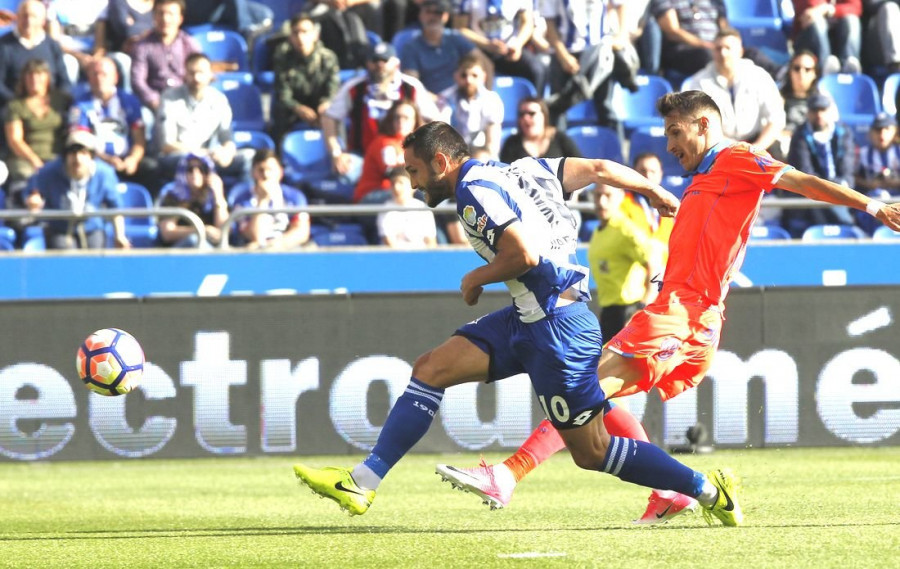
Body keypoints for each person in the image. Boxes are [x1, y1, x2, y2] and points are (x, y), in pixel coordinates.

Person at [433, 90, 900, 523]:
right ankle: (675, 491)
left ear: (703, 124)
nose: (671, 145)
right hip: (676, 306)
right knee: (594, 390)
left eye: (676, 133)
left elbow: (801, 180)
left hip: (688, 312)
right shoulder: (702, 179)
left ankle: (509, 475)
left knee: (584, 389)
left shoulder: (739, 157)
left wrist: (872, 207)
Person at [293, 120, 747, 531]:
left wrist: (476, 277)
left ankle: (706, 491)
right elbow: (602, 168)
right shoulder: (525, 169)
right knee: (431, 368)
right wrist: (652, 190)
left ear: (441, 162)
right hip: (527, 318)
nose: (411, 184)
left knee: (592, 451)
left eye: (413, 172)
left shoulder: (473, 193)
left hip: (557, 330)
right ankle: (362, 482)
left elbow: (523, 254)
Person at [321, 41, 440, 183]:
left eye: (385, 60)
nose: (380, 65)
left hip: (405, 156)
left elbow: (436, 121)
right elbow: (329, 118)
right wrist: (336, 153)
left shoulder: (411, 87)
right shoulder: (354, 87)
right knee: (346, 172)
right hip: (363, 157)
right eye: (375, 60)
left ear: (396, 63)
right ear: (367, 63)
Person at [682, 28, 785, 154]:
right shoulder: (698, 83)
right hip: (718, 148)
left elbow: (776, 119)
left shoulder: (759, 76)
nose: (723, 53)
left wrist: (757, 148)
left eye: (728, 48)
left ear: (740, 51)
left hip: (759, 143)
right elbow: (699, 126)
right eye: (718, 48)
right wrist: (733, 149)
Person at [24, 129, 131, 250]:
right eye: (73, 153)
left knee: (95, 257)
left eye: (83, 153)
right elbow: (33, 190)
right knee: (64, 256)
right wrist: (33, 198)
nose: (78, 159)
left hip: (93, 227)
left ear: (91, 156)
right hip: (60, 228)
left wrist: (120, 235)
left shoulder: (104, 174)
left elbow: (116, 208)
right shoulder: (49, 172)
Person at [156, 52, 251, 183]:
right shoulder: (169, 97)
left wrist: (227, 152)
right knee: (187, 160)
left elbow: (226, 135)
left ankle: (242, 199)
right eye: (192, 73)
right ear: (185, 74)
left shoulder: (219, 99)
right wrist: (201, 153)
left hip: (209, 157)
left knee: (249, 157)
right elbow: (167, 145)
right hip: (180, 157)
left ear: (210, 74)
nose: (196, 78)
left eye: (201, 72)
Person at [587, 184, 663, 343]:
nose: (602, 202)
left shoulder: (626, 229)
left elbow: (655, 262)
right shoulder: (599, 230)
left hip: (628, 311)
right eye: (598, 195)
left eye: (608, 195)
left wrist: (645, 305)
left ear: (621, 197)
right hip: (609, 312)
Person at [69, 57, 157, 194]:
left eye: (104, 74)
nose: (99, 78)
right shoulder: (80, 105)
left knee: (151, 168)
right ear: (89, 78)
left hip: (127, 159)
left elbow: (139, 138)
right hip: (96, 160)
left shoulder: (129, 101)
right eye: (95, 74)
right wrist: (107, 159)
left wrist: (133, 159)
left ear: (115, 77)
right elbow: (81, 143)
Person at [782, 91, 857, 237]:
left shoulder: (843, 132)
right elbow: (806, 173)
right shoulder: (800, 136)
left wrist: (841, 186)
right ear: (808, 112)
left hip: (841, 189)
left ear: (830, 111)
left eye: (823, 109)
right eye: (815, 110)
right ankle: (848, 226)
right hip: (812, 194)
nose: (819, 114)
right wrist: (830, 189)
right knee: (816, 197)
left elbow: (848, 168)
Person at [3, 58, 71, 198]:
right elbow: (15, 140)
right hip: (25, 159)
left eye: (39, 74)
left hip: (56, 157)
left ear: (47, 77)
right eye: (30, 75)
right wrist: (35, 161)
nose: (34, 79)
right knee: (26, 176)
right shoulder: (15, 106)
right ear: (24, 79)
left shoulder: (61, 101)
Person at [270, 13, 340, 143]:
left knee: (335, 112)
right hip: (294, 110)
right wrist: (298, 108)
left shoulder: (327, 58)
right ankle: (280, 155)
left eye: (305, 32)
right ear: (290, 37)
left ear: (315, 35)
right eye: (296, 33)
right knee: (280, 112)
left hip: (320, 108)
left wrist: (325, 103)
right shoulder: (283, 58)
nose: (300, 37)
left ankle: (339, 152)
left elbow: (333, 89)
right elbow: (282, 93)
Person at [452, 0, 547, 96]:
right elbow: (460, 29)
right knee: (473, 74)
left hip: (510, 49)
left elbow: (527, 23)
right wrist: (487, 44)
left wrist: (518, 44)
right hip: (479, 50)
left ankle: (534, 105)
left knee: (537, 70)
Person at [231, 149, 312, 250]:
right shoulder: (242, 200)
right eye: (261, 170)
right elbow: (254, 236)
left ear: (280, 172)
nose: (266, 174)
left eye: (270, 169)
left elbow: (301, 232)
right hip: (256, 252)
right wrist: (262, 200)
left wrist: (276, 245)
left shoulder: (294, 197)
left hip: (286, 249)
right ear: (252, 173)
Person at [130, 0, 201, 112]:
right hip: (155, 103)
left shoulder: (189, 44)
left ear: (180, 18)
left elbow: (199, 73)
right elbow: (138, 81)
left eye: (171, 14)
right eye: (161, 13)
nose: (165, 19)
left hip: (185, 101)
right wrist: (154, 101)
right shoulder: (142, 46)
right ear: (154, 16)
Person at [399, 0, 479, 95]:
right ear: (420, 15)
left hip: (461, 97)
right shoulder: (411, 47)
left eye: (438, 12)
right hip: (430, 102)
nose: (433, 17)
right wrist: (436, 100)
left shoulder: (456, 38)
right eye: (428, 12)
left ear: (446, 16)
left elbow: (482, 63)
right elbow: (412, 84)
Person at [0, 0, 71, 107]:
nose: (28, 21)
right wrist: (20, 104)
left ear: (43, 21)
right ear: (17, 17)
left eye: (33, 16)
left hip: (48, 108)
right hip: (13, 108)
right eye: (24, 16)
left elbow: (64, 83)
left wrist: (50, 103)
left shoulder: (52, 46)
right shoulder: (4, 45)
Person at [354, 98, 422, 204]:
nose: (401, 121)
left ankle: (450, 219)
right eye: (397, 117)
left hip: (395, 193)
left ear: (415, 122)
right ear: (391, 120)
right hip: (370, 197)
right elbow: (395, 173)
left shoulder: (414, 146)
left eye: (406, 118)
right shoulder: (383, 142)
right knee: (419, 192)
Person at [439, 52, 504, 159]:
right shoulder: (445, 98)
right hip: (454, 152)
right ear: (456, 76)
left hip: (482, 153)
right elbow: (442, 132)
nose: (468, 80)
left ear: (483, 77)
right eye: (464, 75)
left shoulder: (492, 100)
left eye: (474, 75)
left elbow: (492, 143)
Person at [157, 153, 229, 247]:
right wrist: (202, 230)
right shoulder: (173, 196)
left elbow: (225, 230)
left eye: (201, 169)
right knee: (193, 240)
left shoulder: (215, 196)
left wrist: (218, 195)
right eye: (190, 169)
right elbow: (167, 233)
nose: (195, 173)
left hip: (210, 249)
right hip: (180, 251)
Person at [853, 112, 900, 233]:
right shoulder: (863, 154)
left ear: (895, 132)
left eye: (887, 129)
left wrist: (895, 182)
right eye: (878, 130)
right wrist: (870, 184)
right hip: (874, 199)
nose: (882, 134)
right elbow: (852, 177)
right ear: (870, 133)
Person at [499, 96, 580, 163]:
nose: (525, 118)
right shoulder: (511, 143)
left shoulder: (560, 139)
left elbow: (579, 166)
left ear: (544, 116)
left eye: (531, 113)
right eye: (522, 114)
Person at [791, 0, 862, 75]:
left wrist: (828, 9)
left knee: (851, 20)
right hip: (807, 36)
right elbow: (810, 8)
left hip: (836, 34)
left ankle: (849, 71)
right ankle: (824, 72)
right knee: (818, 23)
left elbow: (855, 7)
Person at [376, 167, 438, 248]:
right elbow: (390, 245)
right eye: (393, 183)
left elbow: (431, 243)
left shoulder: (423, 209)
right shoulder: (385, 210)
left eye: (401, 183)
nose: (396, 188)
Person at [778, 51, 821, 160]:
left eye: (807, 69)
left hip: (812, 142)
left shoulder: (822, 99)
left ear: (814, 73)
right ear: (790, 72)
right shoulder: (779, 97)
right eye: (797, 68)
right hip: (785, 143)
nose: (801, 74)